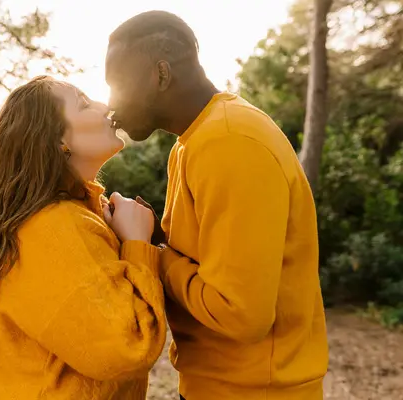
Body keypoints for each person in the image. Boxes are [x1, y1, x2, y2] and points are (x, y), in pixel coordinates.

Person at [105, 10, 329, 400]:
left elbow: (241, 314)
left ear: (161, 74)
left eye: (117, 84)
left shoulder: (230, 141)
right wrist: (160, 236)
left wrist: (152, 252)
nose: (110, 105)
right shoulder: (194, 142)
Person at [0, 75, 167, 400]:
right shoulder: (55, 226)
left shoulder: (62, 216)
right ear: (58, 142)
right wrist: (138, 244)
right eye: (83, 104)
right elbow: (127, 348)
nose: (105, 105)